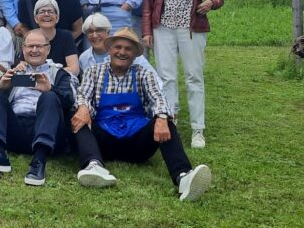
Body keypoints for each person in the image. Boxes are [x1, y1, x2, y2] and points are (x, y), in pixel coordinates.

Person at [70, 28, 212, 202]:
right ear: (110, 49)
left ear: (135, 54)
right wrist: (83, 108)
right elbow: (82, 94)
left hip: (137, 145)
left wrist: (161, 117)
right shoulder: (94, 71)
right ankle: (93, 166)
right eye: (118, 47)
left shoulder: (144, 74)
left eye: (128, 49)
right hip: (104, 143)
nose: (122, 52)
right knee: (79, 119)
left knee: (166, 121)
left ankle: (183, 177)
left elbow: (158, 98)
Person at [142, 0, 224, 149]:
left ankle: (198, 129)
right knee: (166, 77)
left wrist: (211, 2)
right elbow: (148, 3)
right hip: (163, 29)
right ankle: (170, 120)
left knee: (194, 77)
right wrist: (147, 31)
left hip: (191, 29)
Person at [0, 29, 76, 186]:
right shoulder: (16, 72)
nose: (34, 50)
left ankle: (39, 161)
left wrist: (50, 89)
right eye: (30, 46)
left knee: (49, 97)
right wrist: (1, 86)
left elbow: (69, 104)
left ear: (47, 49)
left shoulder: (59, 73)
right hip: (17, 128)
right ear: (23, 49)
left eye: (39, 46)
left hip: (47, 131)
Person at [79, 13, 158, 75]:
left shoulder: (128, 52)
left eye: (99, 30)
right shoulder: (83, 58)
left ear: (108, 32)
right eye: (90, 32)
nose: (95, 35)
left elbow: (154, 78)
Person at [29, 0, 80, 75]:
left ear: (57, 18)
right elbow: (23, 65)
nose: (46, 14)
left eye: (50, 11)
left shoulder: (66, 36)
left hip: (60, 82)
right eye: (42, 11)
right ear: (36, 18)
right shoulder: (31, 36)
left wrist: (48, 74)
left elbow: (74, 69)